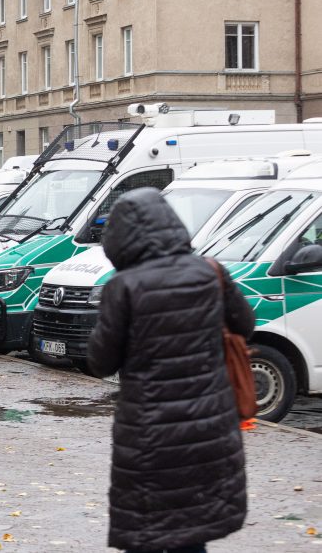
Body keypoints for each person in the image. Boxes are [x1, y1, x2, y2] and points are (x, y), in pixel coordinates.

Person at [87, 188, 253, 553]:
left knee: (150, 527)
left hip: (150, 428)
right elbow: (245, 325)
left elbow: (101, 362)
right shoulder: (211, 271)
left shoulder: (123, 287)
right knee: (193, 527)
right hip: (209, 421)